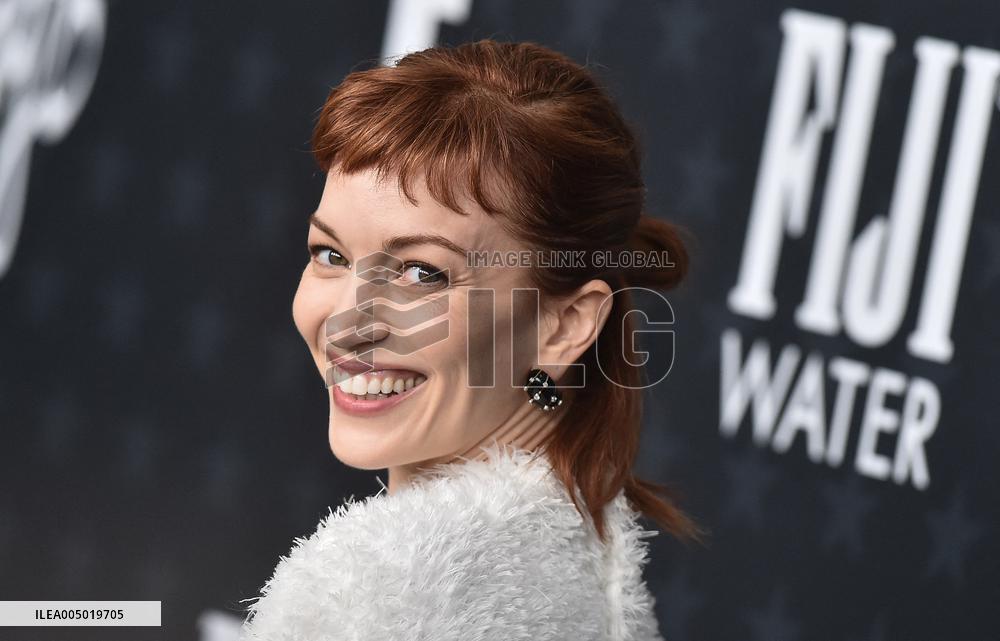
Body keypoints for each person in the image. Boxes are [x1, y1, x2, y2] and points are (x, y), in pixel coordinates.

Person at [239, 38, 703, 641]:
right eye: (329, 254)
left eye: (422, 273)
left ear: (565, 325)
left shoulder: (375, 592)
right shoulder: (582, 551)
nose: (348, 324)